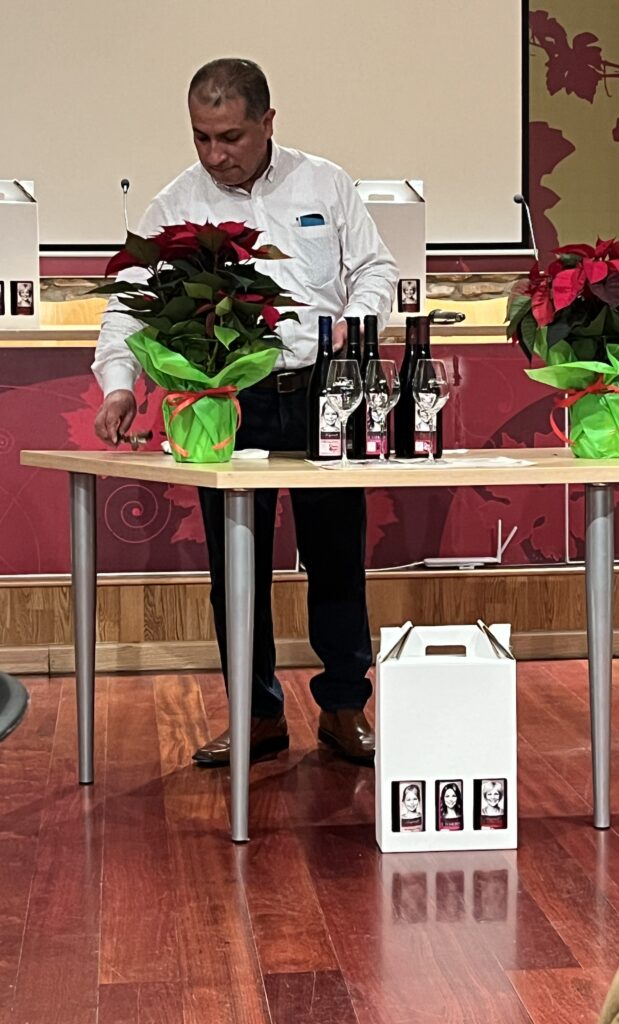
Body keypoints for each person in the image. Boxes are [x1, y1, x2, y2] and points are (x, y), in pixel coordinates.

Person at [92, 58, 397, 767]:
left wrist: (353, 324)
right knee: (237, 566)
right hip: (226, 399)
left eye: (230, 136)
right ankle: (256, 716)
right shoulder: (175, 205)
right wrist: (119, 385)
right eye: (201, 137)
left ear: (267, 122)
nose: (214, 154)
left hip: (325, 389)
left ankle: (345, 707)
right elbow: (129, 306)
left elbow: (376, 268)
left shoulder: (325, 182)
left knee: (336, 555)